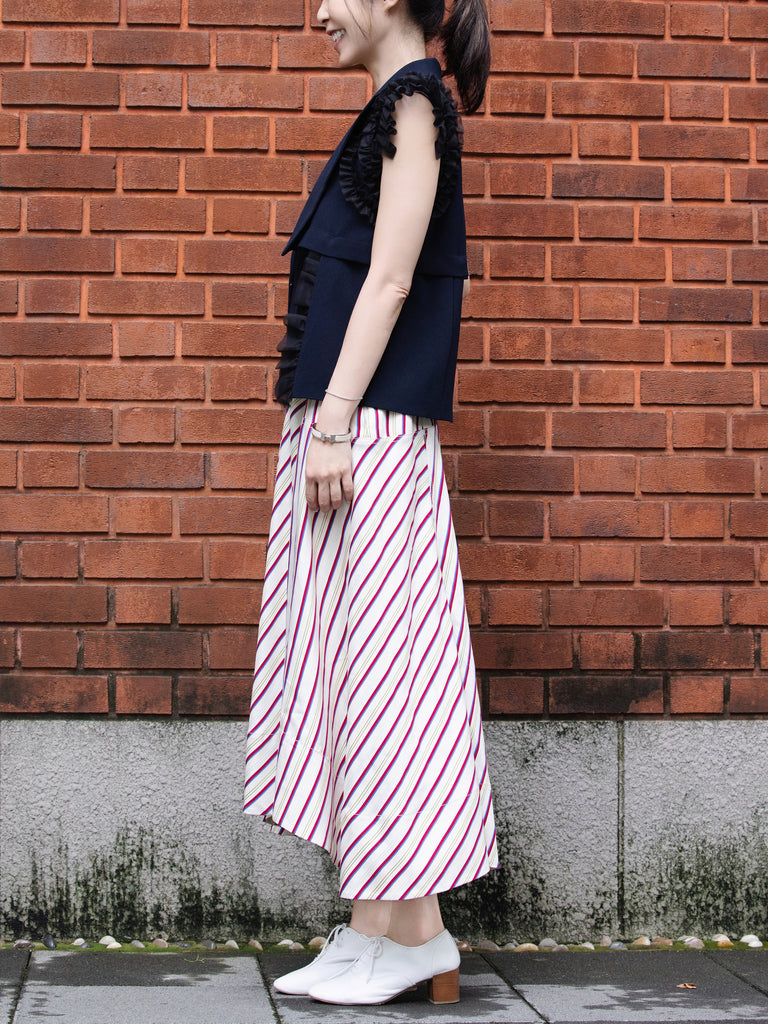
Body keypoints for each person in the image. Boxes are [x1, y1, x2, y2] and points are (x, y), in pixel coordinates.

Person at [244, 0, 497, 1006]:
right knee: (364, 674)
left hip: (371, 434)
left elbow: (391, 276)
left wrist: (337, 421)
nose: (318, 12)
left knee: (387, 677)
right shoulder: (394, 106)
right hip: (349, 428)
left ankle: (403, 933)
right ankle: (395, 927)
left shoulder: (417, 107)